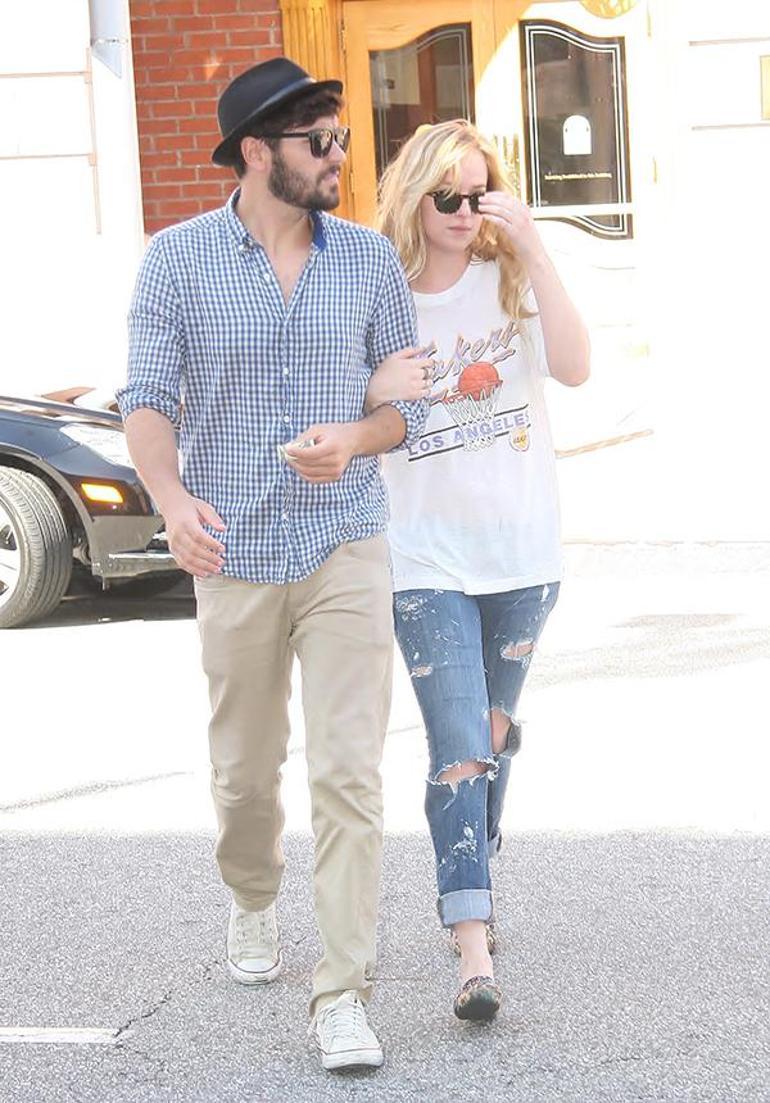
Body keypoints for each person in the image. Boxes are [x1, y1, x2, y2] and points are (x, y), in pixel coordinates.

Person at [117, 57, 429, 1071]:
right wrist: (172, 504)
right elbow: (146, 398)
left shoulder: (369, 260)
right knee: (246, 772)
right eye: (318, 141)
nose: (339, 156)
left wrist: (356, 437)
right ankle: (252, 893)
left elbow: (407, 407)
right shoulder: (176, 260)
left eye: (341, 138)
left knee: (348, 772)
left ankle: (342, 993)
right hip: (233, 546)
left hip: (344, 538)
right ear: (257, 152)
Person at [365, 119, 590, 1022]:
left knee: (485, 736)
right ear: (414, 196)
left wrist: (532, 244)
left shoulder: (510, 281)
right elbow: (345, 402)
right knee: (459, 748)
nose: (464, 211)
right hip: (424, 559)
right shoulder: (379, 295)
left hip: (523, 556)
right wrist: (376, 388)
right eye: (447, 195)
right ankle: (472, 947)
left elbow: (575, 367)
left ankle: (484, 809)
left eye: (478, 193)